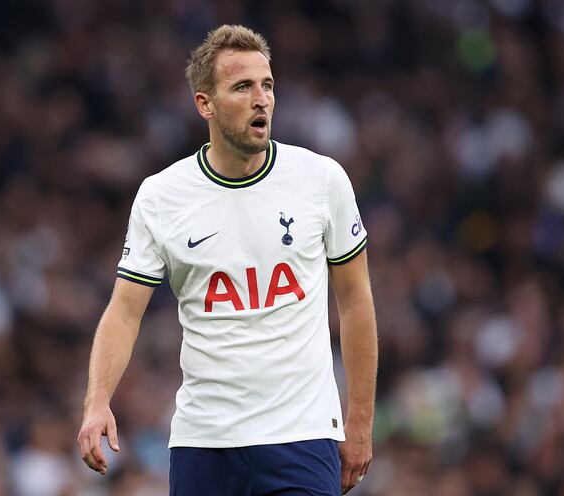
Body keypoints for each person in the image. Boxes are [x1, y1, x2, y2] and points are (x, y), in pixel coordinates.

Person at [76, 24, 378, 496]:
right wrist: (97, 402)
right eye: (243, 87)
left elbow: (356, 302)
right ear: (205, 104)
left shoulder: (321, 180)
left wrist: (359, 424)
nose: (262, 99)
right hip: (205, 442)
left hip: (301, 436)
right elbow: (125, 310)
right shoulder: (162, 196)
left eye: (268, 84)